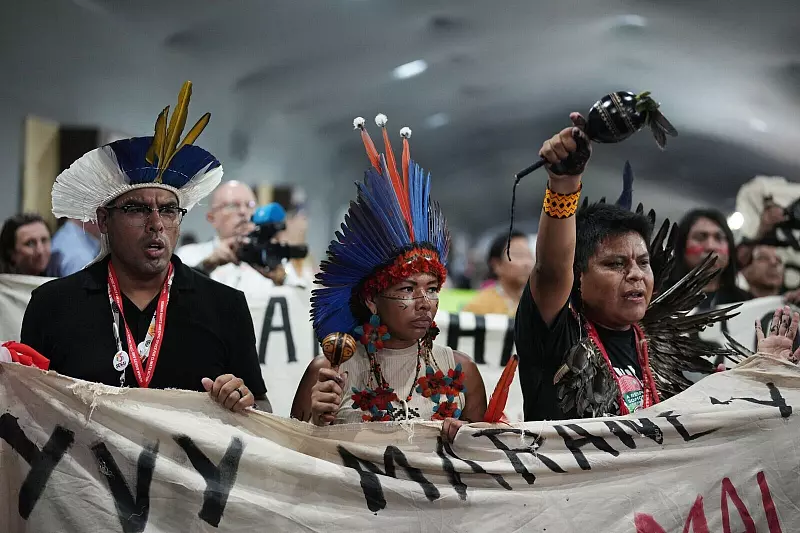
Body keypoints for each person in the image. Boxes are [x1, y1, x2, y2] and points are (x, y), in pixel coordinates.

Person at [20, 82, 269, 413]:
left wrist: (242, 401)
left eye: (168, 209)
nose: (156, 224)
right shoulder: (52, 305)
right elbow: (24, 414)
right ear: (104, 220)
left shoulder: (225, 307)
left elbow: (262, 410)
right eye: (137, 209)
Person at [514, 114, 740, 422]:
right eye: (615, 264)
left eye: (643, 263)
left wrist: (764, 369)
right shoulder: (556, 332)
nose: (636, 274)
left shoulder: (654, 342)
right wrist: (564, 184)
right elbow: (551, 269)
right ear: (577, 277)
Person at [291, 115, 486, 440]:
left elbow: (486, 459)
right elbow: (289, 454)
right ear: (371, 299)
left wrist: (466, 441)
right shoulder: (328, 372)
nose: (425, 303)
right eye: (408, 289)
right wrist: (316, 423)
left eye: (432, 289)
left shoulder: (461, 371)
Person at [175, 180, 297, 289]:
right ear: (212, 217)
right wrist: (207, 265)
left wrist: (281, 277)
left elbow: (302, 297)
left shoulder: (271, 258)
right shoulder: (189, 255)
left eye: (250, 205)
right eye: (233, 205)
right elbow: (175, 294)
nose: (244, 212)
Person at [670, 208, 751, 310]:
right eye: (700, 238)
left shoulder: (746, 303)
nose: (711, 246)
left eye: (719, 238)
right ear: (682, 246)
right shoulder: (659, 298)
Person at [463, 231, 534, 317]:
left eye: (529, 255)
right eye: (518, 255)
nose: (527, 263)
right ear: (497, 265)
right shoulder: (479, 307)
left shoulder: (537, 303)